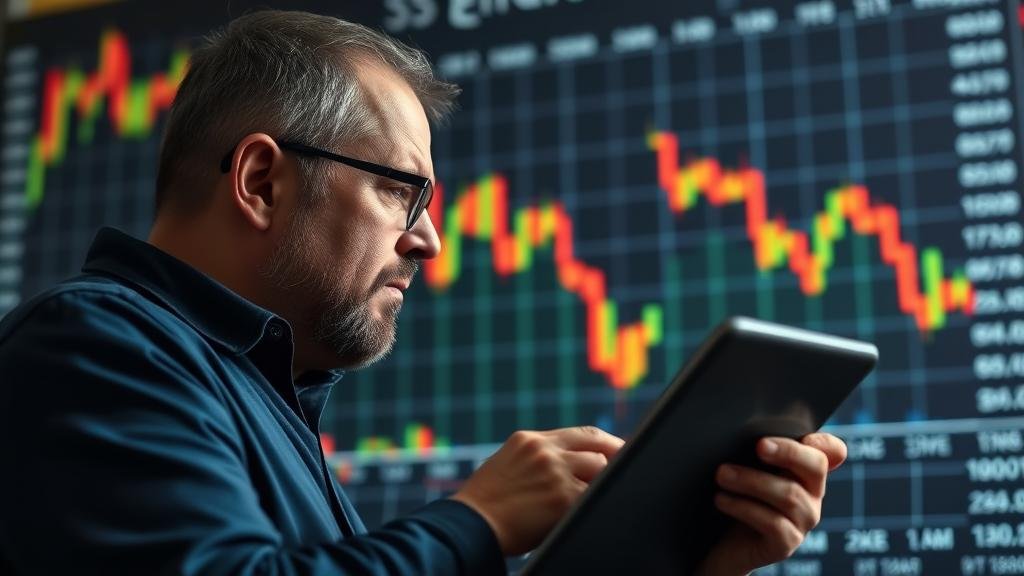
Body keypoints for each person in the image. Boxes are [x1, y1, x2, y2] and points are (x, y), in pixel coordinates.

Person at [0, 10, 847, 575]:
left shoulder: (258, 389)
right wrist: (475, 522)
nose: (430, 240)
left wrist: (674, 561)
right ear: (260, 181)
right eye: (402, 192)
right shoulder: (94, 344)